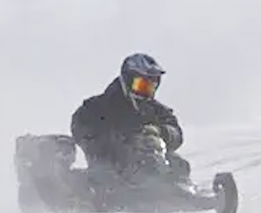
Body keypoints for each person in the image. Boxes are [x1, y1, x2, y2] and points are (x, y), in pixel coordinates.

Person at [69, 53, 186, 195]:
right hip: (111, 172)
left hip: (152, 169)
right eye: (141, 85)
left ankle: (179, 193)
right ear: (128, 81)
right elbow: (80, 126)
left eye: (150, 87)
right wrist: (115, 139)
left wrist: (161, 132)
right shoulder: (99, 106)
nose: (146, 92)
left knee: (179, 164)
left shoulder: (155, 110)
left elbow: (176, 131)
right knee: (101, 175)